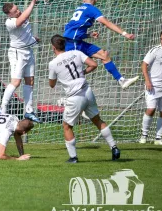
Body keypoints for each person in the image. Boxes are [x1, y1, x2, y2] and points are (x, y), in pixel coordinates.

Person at [48, 35, 121, 163]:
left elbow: (52, 85)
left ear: (53, 48)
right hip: (87, 91)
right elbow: (93, 64)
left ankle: (73, 157)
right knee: (97, 120)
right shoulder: (76, 52)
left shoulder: (53, 64)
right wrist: (83, 73)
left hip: (75, 97)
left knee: (67, 126)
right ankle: (114, 147)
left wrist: (60, 78)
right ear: (65, 45)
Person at [63, 0, 138, 89]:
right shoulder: (92, 9)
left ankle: (121, 80)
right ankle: (71, 86)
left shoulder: (80, 8)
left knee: (103, 55)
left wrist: (88, 35)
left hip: (75, 41)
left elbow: (72, 29)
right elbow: (107, 23)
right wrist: (125, 34)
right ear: (96, 0)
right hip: (73, 44)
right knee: (83, 69)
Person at [0, 0, 41, 123]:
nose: (18, 11)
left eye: (17, 9)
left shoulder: (20, 16)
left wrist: (33, 39)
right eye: (15, 11)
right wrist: (33, 2)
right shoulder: (10, 22)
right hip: (17, 54)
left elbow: (24, 33)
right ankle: (2, 109)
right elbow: (21, 20)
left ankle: (29, 111)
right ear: (9, 14)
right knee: (16, 82)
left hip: (28, 51)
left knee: (30, 81)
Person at [139, 30, 162, 145]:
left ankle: (158, 138)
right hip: (153, 86)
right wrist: (147, 81)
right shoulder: (155, 50)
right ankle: (143, 136)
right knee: (151, 109)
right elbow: (144, 65)